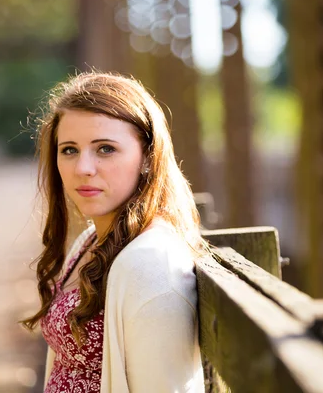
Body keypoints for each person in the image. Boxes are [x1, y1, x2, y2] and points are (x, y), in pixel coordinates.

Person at [20, 72, 208, 392]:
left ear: (148, 157)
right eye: (69, 150)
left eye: (105, 148)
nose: (83, 168)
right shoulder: (89, 242)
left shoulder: (152, 265)